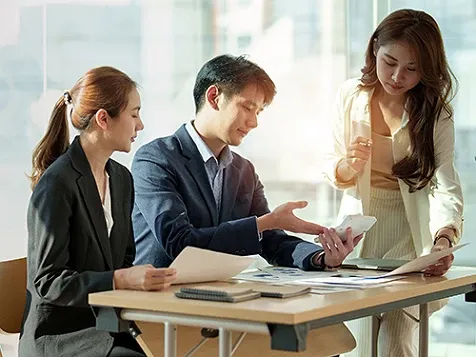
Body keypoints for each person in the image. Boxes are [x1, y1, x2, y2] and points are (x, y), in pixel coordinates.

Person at [131, 54, 361, 272]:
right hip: (159, 299)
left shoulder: (243, 170)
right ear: (214, 97)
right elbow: (179, 242)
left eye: (259, 111)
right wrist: (264, 223)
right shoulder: (155, 159)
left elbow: (271, 241)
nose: (254, 122)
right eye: (247, 107)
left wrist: (322, 256)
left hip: (216, 295)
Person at [323, 9, 464, 357]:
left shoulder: (435, 112)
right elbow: (332, 166)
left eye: (412, 68)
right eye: (390, 62)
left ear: (427, 68)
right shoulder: (350, 95)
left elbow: (445, 185)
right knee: (359, 344)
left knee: (394, 345)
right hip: (358, 234)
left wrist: (444, 238)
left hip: (409, 236)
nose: (397, 76)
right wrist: (349, 165)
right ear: (374, 50)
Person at [19, 66, 177, 357]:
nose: (140, 125)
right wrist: (119, 279)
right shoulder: (57, 184)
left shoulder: (121, 178)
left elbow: (125, 257)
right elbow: (48, 282)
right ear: (104, 119)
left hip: (106, 325)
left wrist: (143, 279)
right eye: (134, 114)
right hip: (60, 337)